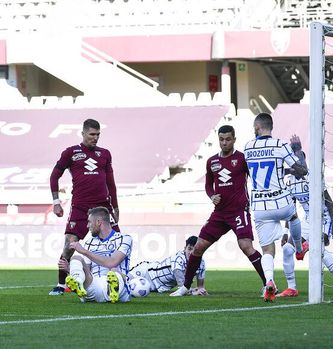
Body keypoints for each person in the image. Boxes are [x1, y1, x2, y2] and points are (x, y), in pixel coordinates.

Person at [171, 125, 267, 297]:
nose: (224, 142)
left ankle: (268, 283)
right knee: (198, 247)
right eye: (221, 139)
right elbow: (208, 185)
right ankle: (185, 287)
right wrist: (211, 196)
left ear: (234, 140)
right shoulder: (212, 162)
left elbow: (257, 178)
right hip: (220, 213)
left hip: (239, 210)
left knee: (245, 246)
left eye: (228, 139)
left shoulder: (242, 159)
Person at [49, 118, 119, 296]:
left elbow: (111, 182)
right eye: (92, 134)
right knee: (69, 244)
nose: (95, 138)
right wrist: (56, 202)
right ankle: (61, 283)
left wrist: (116, 207)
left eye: (98, 135)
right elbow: (54, 176)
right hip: (80, 206)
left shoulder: (105, 154)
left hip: (103, 208)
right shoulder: (71, 152)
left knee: (117, 242)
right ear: (83, 133)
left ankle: (120, 280)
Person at [242, 113, 307, 302]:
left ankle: (269, 281)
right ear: (271, 127)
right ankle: (299, 247)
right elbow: (302, 171)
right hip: (281, 201)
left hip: (260, 206)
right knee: (293, 217)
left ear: (256, 128)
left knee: (267, 251)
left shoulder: (247, 147)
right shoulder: (280, 145)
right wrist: (297, 151)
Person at [278, 135, 333, 298]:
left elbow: (329, 203)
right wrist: (286, 233)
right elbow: (291, 209)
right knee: (288, 249)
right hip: (309, 219)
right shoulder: (289, 182)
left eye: (300, 160)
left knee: (318, 248)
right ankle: (292, 288)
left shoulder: (313, 178)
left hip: (324, 218)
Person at [61, 207, 132, 303]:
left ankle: (112, 288)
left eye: (89, 222)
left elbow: (113, 262)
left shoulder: (124, 239)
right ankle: (78, 281)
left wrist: (85, 252)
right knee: (76, 258)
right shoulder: (89, 243)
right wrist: (70, 270)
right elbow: (87, 270)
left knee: (114, 271)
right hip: (95, 286)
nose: (87, 226)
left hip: (121, 290)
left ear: (98, 222)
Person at [130, 236, 207, 297]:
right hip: (146, 272)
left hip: (156, 287)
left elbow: (200, 287)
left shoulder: (201, 263)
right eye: (189, 249)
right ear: (184, 249)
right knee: (122, 283)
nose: (191, 252)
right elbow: (183, 287)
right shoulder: (178, 259)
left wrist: (201, 290)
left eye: (194, 250)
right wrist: (193, 292)